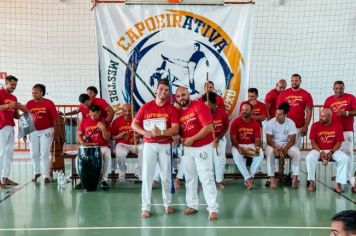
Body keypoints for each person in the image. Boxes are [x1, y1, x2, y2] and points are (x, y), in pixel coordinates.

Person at [131, 79, 179, 218]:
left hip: (165, 144)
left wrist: (162, 133)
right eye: (161, 89)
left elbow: (175, 128)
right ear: (156, 89)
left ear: (168, 92)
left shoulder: (172, 109)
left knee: (166, 176)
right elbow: (134, 124)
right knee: (147, 176)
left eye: (166, 90)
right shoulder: (146, 107)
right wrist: (144, 132)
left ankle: (168, 204)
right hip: (149, 145)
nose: (163, 92)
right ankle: (145, 207)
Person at [175, 86, 219, 220]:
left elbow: (208, 127)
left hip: (202, 147)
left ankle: (212, 208)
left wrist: (192, 139)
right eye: (178, 96)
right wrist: (180, 138)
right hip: (187, 149)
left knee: (206, 177)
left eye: (183, 94)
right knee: (190, 178)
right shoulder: (178, 112)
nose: (181, 98)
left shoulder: (200, 106)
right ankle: (192, 205)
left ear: (188, 94)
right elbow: (178, 130)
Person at [306, 108, 350, 193]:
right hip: (318, 149)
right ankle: (312, 182)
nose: (321, 118)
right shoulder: (315, 125)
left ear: (330, 117)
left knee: (345, 159)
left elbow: (339, 142)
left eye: (323, 116)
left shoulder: (338, 125)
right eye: (320, 116)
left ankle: (338, 183)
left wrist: (331, 152)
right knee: (310, 157)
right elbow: (313, 142)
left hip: (333, 150)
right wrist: (320, 151)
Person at [26, 84, 59, 184]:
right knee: (34, 154)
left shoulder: (49, 103)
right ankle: (37, 172)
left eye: (35, 93)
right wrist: (24, 132)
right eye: (32, 93)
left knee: (44, 153)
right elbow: (25, 119)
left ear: (41, 92)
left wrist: (57, 132)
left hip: (47, 130)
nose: (33, 95)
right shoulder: (29, 103)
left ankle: (46, 175)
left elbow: (55, 119)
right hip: (33, 131)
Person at [324, 81, 356, 182]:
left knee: (348, 152)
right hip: (334, 131)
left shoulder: (350, 97)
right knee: (337, 153)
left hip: (347, 130)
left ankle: (349, 176)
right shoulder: (328, 100)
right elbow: (325, 114)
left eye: (341, 88)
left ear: (344, 88)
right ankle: (340, 174)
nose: (338, 90)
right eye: (336, 88)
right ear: (333, 89)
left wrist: (346, 113)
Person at [264, 102, 301, 189]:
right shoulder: (271, 122)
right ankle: (272, 178)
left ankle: (295, 177)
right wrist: (276, 147)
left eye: (280, 114)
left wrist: (284, 149)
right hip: (272, 144)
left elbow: (292, 140)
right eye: (276, 113)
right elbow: (269, 140)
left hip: (286, 144)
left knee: (297, 153)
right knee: (270, 153)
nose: (277, 116)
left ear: (285, 115)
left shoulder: (291, 123)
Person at [0, 75, 26, 188]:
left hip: (10, 127)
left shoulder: (14, 98)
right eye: (12, 84)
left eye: (15, 85)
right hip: (1, 126)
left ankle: (5, 178)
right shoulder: (0, 93)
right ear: (6, 83)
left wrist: (23, 112)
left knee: (9, 153)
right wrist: (8, 105)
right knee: (1, 153)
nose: (13, 87)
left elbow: (15, 115)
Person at [230, 103, 264, 190]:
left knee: (260, 155)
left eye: (247, 110)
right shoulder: (236, 121)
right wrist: (238, 148)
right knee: (237, 156)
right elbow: (233, 137)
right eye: (243, 109)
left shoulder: (255, 124)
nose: (244, 111)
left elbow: (257, 139)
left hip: (251, 144)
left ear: (251, 112)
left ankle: (251, 176)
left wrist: (257, 148)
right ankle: (247, 178)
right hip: (238, 144)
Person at [78, 105, 112, 190]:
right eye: (91, 115)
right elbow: (79, 135)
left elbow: (107, 139)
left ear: (99, 113)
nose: (93, 117)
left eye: (95, 115)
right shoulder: (84, 121)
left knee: (107, 153)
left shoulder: (105, 122)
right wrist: (82, 142)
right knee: (77, 159)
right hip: (88, 147)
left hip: (102, 146)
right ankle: (82, 180)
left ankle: (104, 180)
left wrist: (103, 128)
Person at [277, 74, 313, 147]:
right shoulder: (284, 93)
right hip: (284, 126)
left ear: (300, 81)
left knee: (294, 150)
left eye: (296, 80)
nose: (294, 82)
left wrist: (306, 126)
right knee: (282, 148)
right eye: (292, 80)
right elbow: (278, 110)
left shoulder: (306, 95)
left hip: (298, 127)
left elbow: (309, 112)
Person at [202, 92, 229, 189]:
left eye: (209, 105)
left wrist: (219, 138)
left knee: (220, 160)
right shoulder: (203, 114)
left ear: (215, 104)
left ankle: (219, 180)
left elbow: (226, 127)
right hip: (207, 140)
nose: (207, 107)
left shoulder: (222, 113)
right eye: (205, 105)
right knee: (207, 161)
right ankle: (207, 181)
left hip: (219, 139)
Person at [111, 103, 143, 181]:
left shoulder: (138, 120)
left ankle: (139, 171)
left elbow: (144, 133)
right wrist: (120, 136)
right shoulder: (117, 121)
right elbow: (112, 137)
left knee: (145, 149)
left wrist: (138, 135)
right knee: (120, 154)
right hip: (122, 144)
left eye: (129, 111)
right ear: (122, 111)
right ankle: (122, 171)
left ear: (133, 111)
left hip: (136, 144)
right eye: (125, 111)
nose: (127, 113)